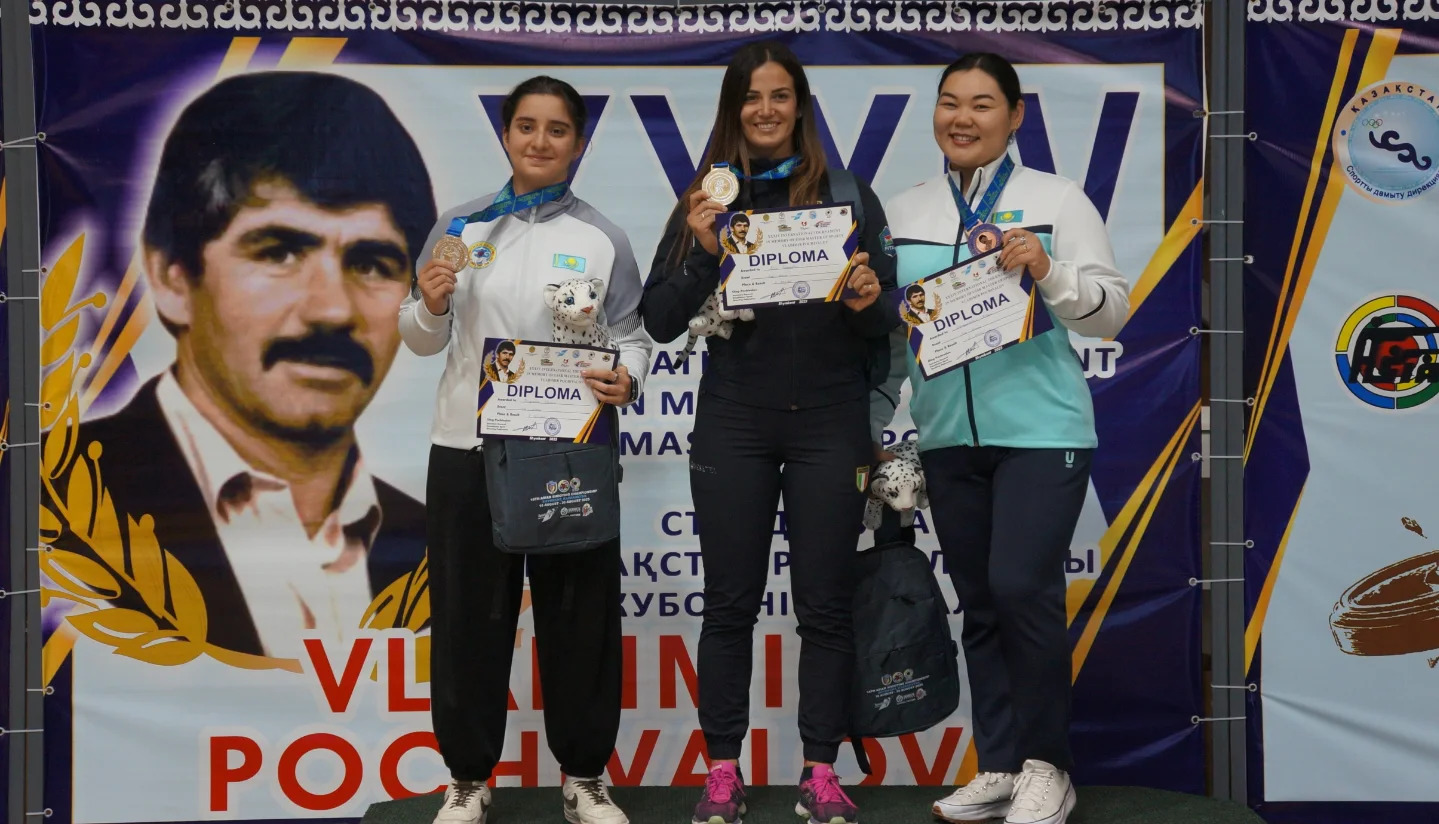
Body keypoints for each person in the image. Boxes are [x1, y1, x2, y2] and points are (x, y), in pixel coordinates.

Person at [56, 71, 436, 661]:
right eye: (279, 253)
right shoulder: (45, 507)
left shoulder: (441, 549)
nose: (333, 309)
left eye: (372, 264)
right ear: (172, 278)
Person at [640, 40, 897, 824]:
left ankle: (820, 771)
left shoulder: (848, 194)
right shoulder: (705, 201)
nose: (765, 110)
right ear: (732, 109)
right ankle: (722, 770)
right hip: (734, 422)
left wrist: (865, 300)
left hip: (830, 421)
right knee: (729, 605)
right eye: (751, 97)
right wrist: (702, 254)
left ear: (800, 106)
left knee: (824, 606)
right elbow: (658, 321)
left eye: (779, 95)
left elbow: (889, 323)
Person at [873, 54, 1130, 824]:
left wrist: (1048, 268)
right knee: (981, 603)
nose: (962, 118)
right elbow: (892, 340)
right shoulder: (903, 210)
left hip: (1041, 431)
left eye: (982, 104)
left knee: (1021, 589)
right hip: (948, 438)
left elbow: (1110, 314)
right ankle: (1000, 765)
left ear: (1014, 116)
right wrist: (874, 429)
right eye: (949, 102)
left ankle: (1048, 766)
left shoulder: (1055, 199)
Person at [400, 76, 653, 824]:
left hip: (567, 450)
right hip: (467, 450)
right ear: (506, 135)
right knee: (467, 623)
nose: (540, 141)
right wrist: (431, 303)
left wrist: (627, 376)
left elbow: (632, 335)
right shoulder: (461, 226)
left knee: (580, 620)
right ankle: (468, 780)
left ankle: (585, 777)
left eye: (557, 130)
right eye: (526, 127)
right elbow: (418, 337)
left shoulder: (602, 238)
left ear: (579, 143)